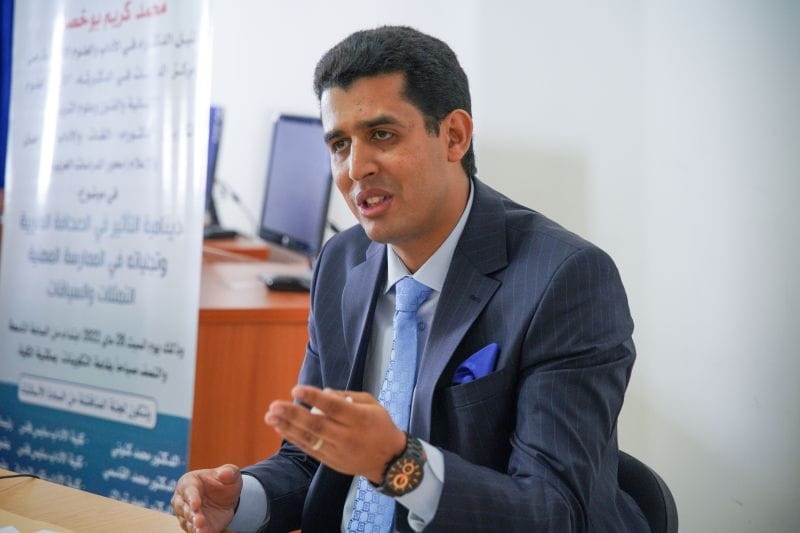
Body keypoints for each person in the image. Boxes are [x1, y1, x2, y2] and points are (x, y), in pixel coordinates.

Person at [172, 26, 648, 532]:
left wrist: (398, 464)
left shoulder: (564, 279)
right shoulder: (341, 262)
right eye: (339, 144)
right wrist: (242, 499)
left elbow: (554, 512)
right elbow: (313, 459)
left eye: (382, 135)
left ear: (454, 136)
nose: (356, 168)